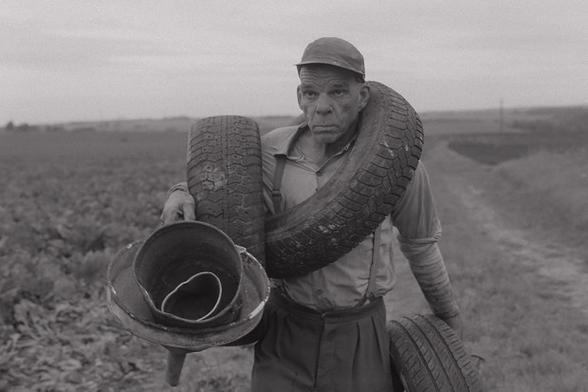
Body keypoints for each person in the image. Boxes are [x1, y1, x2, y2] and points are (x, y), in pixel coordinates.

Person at [161, 37, 462, 392]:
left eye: (338, 93)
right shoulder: (271, 152)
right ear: (299, 96)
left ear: (362, 96)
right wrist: (180, 192)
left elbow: (421, 246)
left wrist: (449, 321)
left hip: (360, 334)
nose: (322, 107)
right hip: (285, 331)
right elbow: (222, 193)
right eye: (310, 93)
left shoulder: (394, 163)